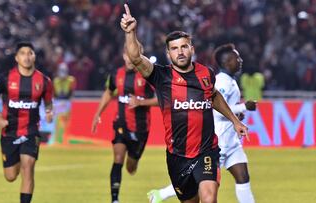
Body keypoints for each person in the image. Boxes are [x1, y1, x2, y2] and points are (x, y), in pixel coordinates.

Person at [121, 4, 249, 203]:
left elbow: (213, 96)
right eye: (174, 48)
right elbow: (136, 58)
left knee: (209, 198)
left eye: (183, 46)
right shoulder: (160, 76)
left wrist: (235, 121)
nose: (179, 52)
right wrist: (131, 33)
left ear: (191, 49)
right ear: (168, 53)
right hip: (177, 156)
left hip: (206, 150)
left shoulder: (206, 74)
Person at [147, 43, 256, 203]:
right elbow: (213, 107)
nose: (240, 60)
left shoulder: (230, 81)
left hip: (232, 142)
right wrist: (243, 107)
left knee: (243, 177)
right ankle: (160, 195)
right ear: (226, 62)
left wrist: (237, 116)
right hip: (219, 142)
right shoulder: (221, 82)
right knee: (198, 180)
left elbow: (226, 108)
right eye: (235, 58)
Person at [0, 42, 53, 203]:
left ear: (34, 56)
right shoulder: (6, 79)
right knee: (10, 176)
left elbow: (48, 102)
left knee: (28, 167)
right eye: (23, 53)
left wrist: (49, 111)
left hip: (31, 131)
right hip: (9, 132)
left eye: (30, 53)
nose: (27, 56)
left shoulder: (44, 81)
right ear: (17, 58)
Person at [91, 46, 158, 203]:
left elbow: (163, 99)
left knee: (131, 168)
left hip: (141, 128)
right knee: (118, 157)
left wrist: (142, 102)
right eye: (127, 55)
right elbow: (109, 92)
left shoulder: (148, 75)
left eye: (133, 54)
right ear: (123, 56)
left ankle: (134, 160)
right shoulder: (116, 74)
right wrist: (97, 113)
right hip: (121, 123)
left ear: (139, 55)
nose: (129, 58)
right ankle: (115, 199)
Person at [51, 62, 76, 144]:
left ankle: (65, 139)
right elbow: (54, 93)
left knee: (65, 122)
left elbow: (71, 92)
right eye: (61, 70)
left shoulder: (71, 80)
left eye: (64, 70)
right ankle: (56, 139)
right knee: (57, 121)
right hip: (57, 102)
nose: (62, 72)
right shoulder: (55, 80)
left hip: (66, 102)